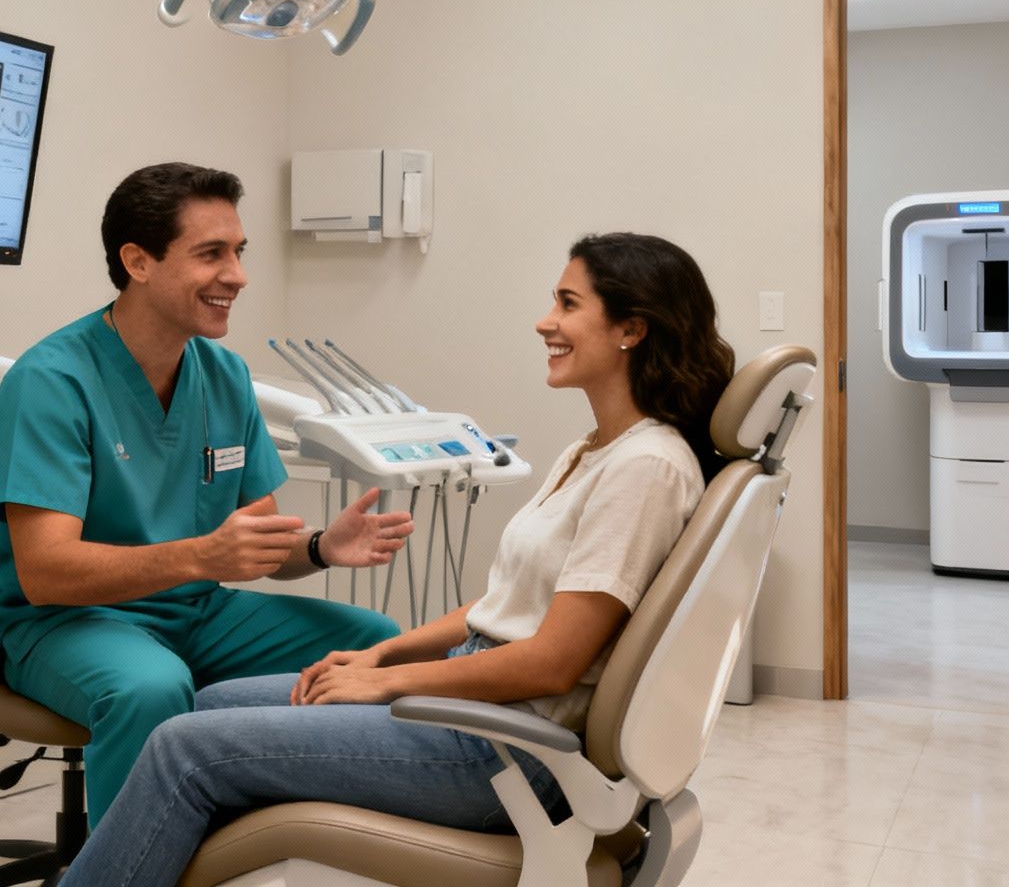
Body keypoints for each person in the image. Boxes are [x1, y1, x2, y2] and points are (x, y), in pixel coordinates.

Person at [61, 231, 736, 887]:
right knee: (207, 707)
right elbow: (506, 609)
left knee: (186, 751)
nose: (543, 321)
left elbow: (553, 660)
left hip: (504, 751)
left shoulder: (646, 468)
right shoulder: (595, 450)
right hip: (480, 711)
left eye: (567, 303)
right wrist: (382, 656)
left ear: (632, 330)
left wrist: (389, 684)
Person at [0, 162, 415, 826]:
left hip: (196, 612)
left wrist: (321, 547)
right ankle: (130, 867)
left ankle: (272, 840)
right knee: (149, 687)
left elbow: (256, 547)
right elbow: (44, 573)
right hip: (68, 623)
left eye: (238, 253)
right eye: (210, 254)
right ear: (138, 261)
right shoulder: (51, 381)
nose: (236, 275)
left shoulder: (222, 373)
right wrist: (199, 558)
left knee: (377, 648)